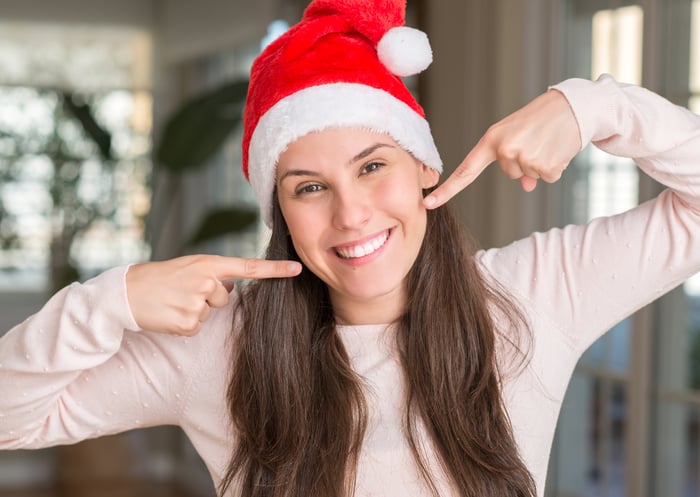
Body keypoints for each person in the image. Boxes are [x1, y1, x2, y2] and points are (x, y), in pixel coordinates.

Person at [1, 0, 699, 495]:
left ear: (425, 165)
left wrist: (595, 107)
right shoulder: (220, 347)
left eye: (372, 166)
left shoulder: (531, 295)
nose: (350, 213)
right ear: (282, 213)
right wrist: (110, 300)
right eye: (309, 188)